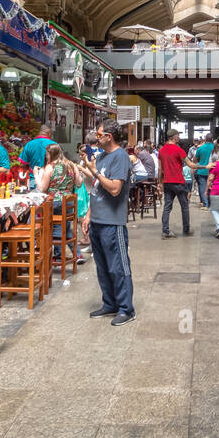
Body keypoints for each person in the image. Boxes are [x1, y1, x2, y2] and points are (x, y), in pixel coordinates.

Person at [83, 119, 135, 325]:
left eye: (99, 134)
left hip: (112, 222)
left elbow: (114, 189)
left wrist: (94, 170)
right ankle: (110, 303)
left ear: (109, 137)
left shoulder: (120, 157)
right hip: (97, 220)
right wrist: (88, 215)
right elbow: (96, 188)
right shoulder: (102, 157)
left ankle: (126, 309)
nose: (97, 137)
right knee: (102, 267)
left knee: (118, 266)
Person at [36, 143, 83, 266]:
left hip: (54, 202)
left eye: (47, 154)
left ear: (51, 154)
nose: (46, 157)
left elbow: (42, 188)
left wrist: (36, 174)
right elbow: (79, 183)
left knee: (39, 221)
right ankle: (75, 254)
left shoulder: (50, 167)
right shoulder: (71, 165)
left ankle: (43, 251)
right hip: (69, 201)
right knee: (64, 226)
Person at [157, 130, 203, 238]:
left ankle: (165, 231)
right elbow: (191, 164)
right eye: (178, 135)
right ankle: (186, 229)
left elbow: (160, 169)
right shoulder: (179, 150)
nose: (179, 137)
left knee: (167, 207)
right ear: (174, 137)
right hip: (179, 182)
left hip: (167, 182)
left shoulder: (161, 151)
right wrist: (205, 166)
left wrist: (160, 182)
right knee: (185, 207)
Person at [194, 134, 215, 208]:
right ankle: (211, 203)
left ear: (205, 139)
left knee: (202, 188)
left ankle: (205, 204)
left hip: (201, 171)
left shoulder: (200, 148)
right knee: (211, 187)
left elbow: (195, 160)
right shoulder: (215, 148)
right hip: (213, 171)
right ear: (212, 139)